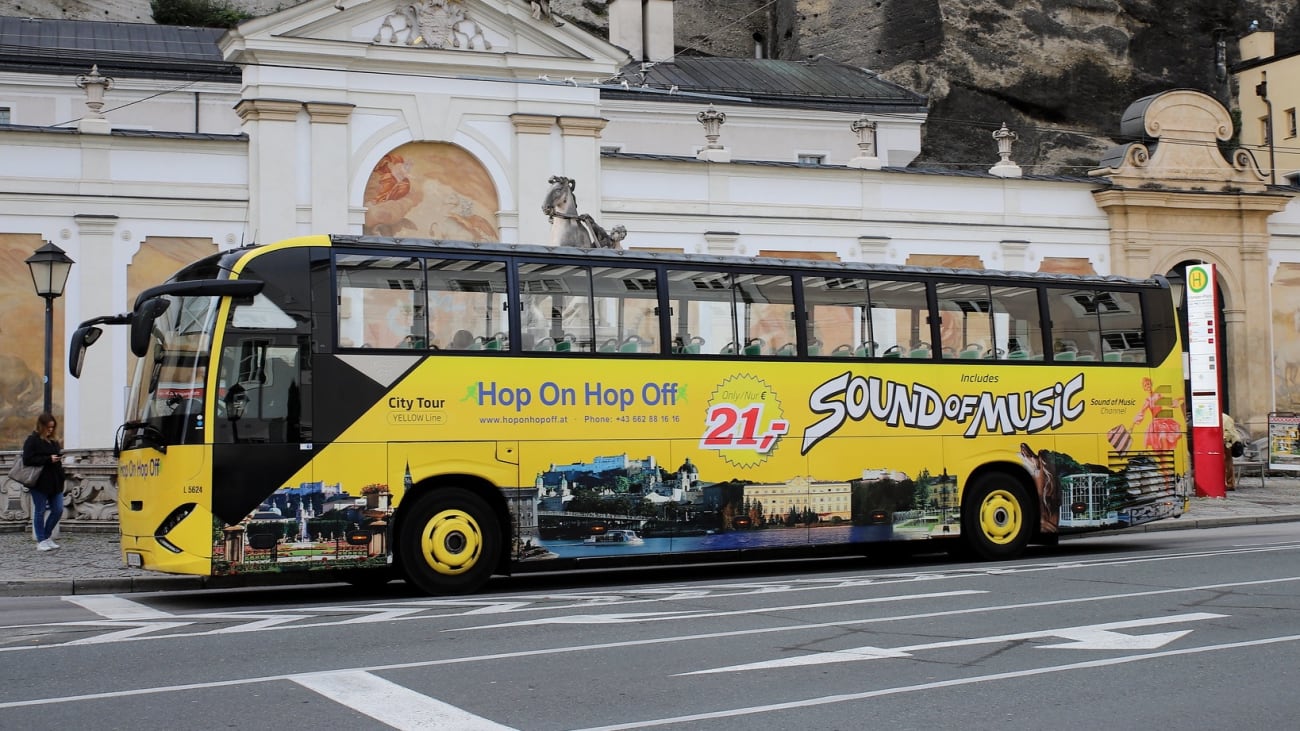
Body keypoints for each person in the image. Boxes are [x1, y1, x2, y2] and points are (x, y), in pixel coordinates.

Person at [22, 413, 66, 551]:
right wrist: (48, 459)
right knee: (40, 511)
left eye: (53, 427)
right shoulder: (32, 440)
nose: (51, 430)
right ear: (41, 426)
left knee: (58, 510)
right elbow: (27, 459)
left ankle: (47, 536)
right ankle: (41, 540)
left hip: (55, 482)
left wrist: (57, 459)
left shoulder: (53, 441)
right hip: (39, 482)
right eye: (48, 427)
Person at [1223, 412, 1243, 491]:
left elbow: (1229, 432)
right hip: (1222, 442)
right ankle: (1228, 483)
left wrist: (1223, 439)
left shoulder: (1225, 418)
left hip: (1227, 443)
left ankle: (1230, 484)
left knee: (1227, 464)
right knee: (1226, 464)